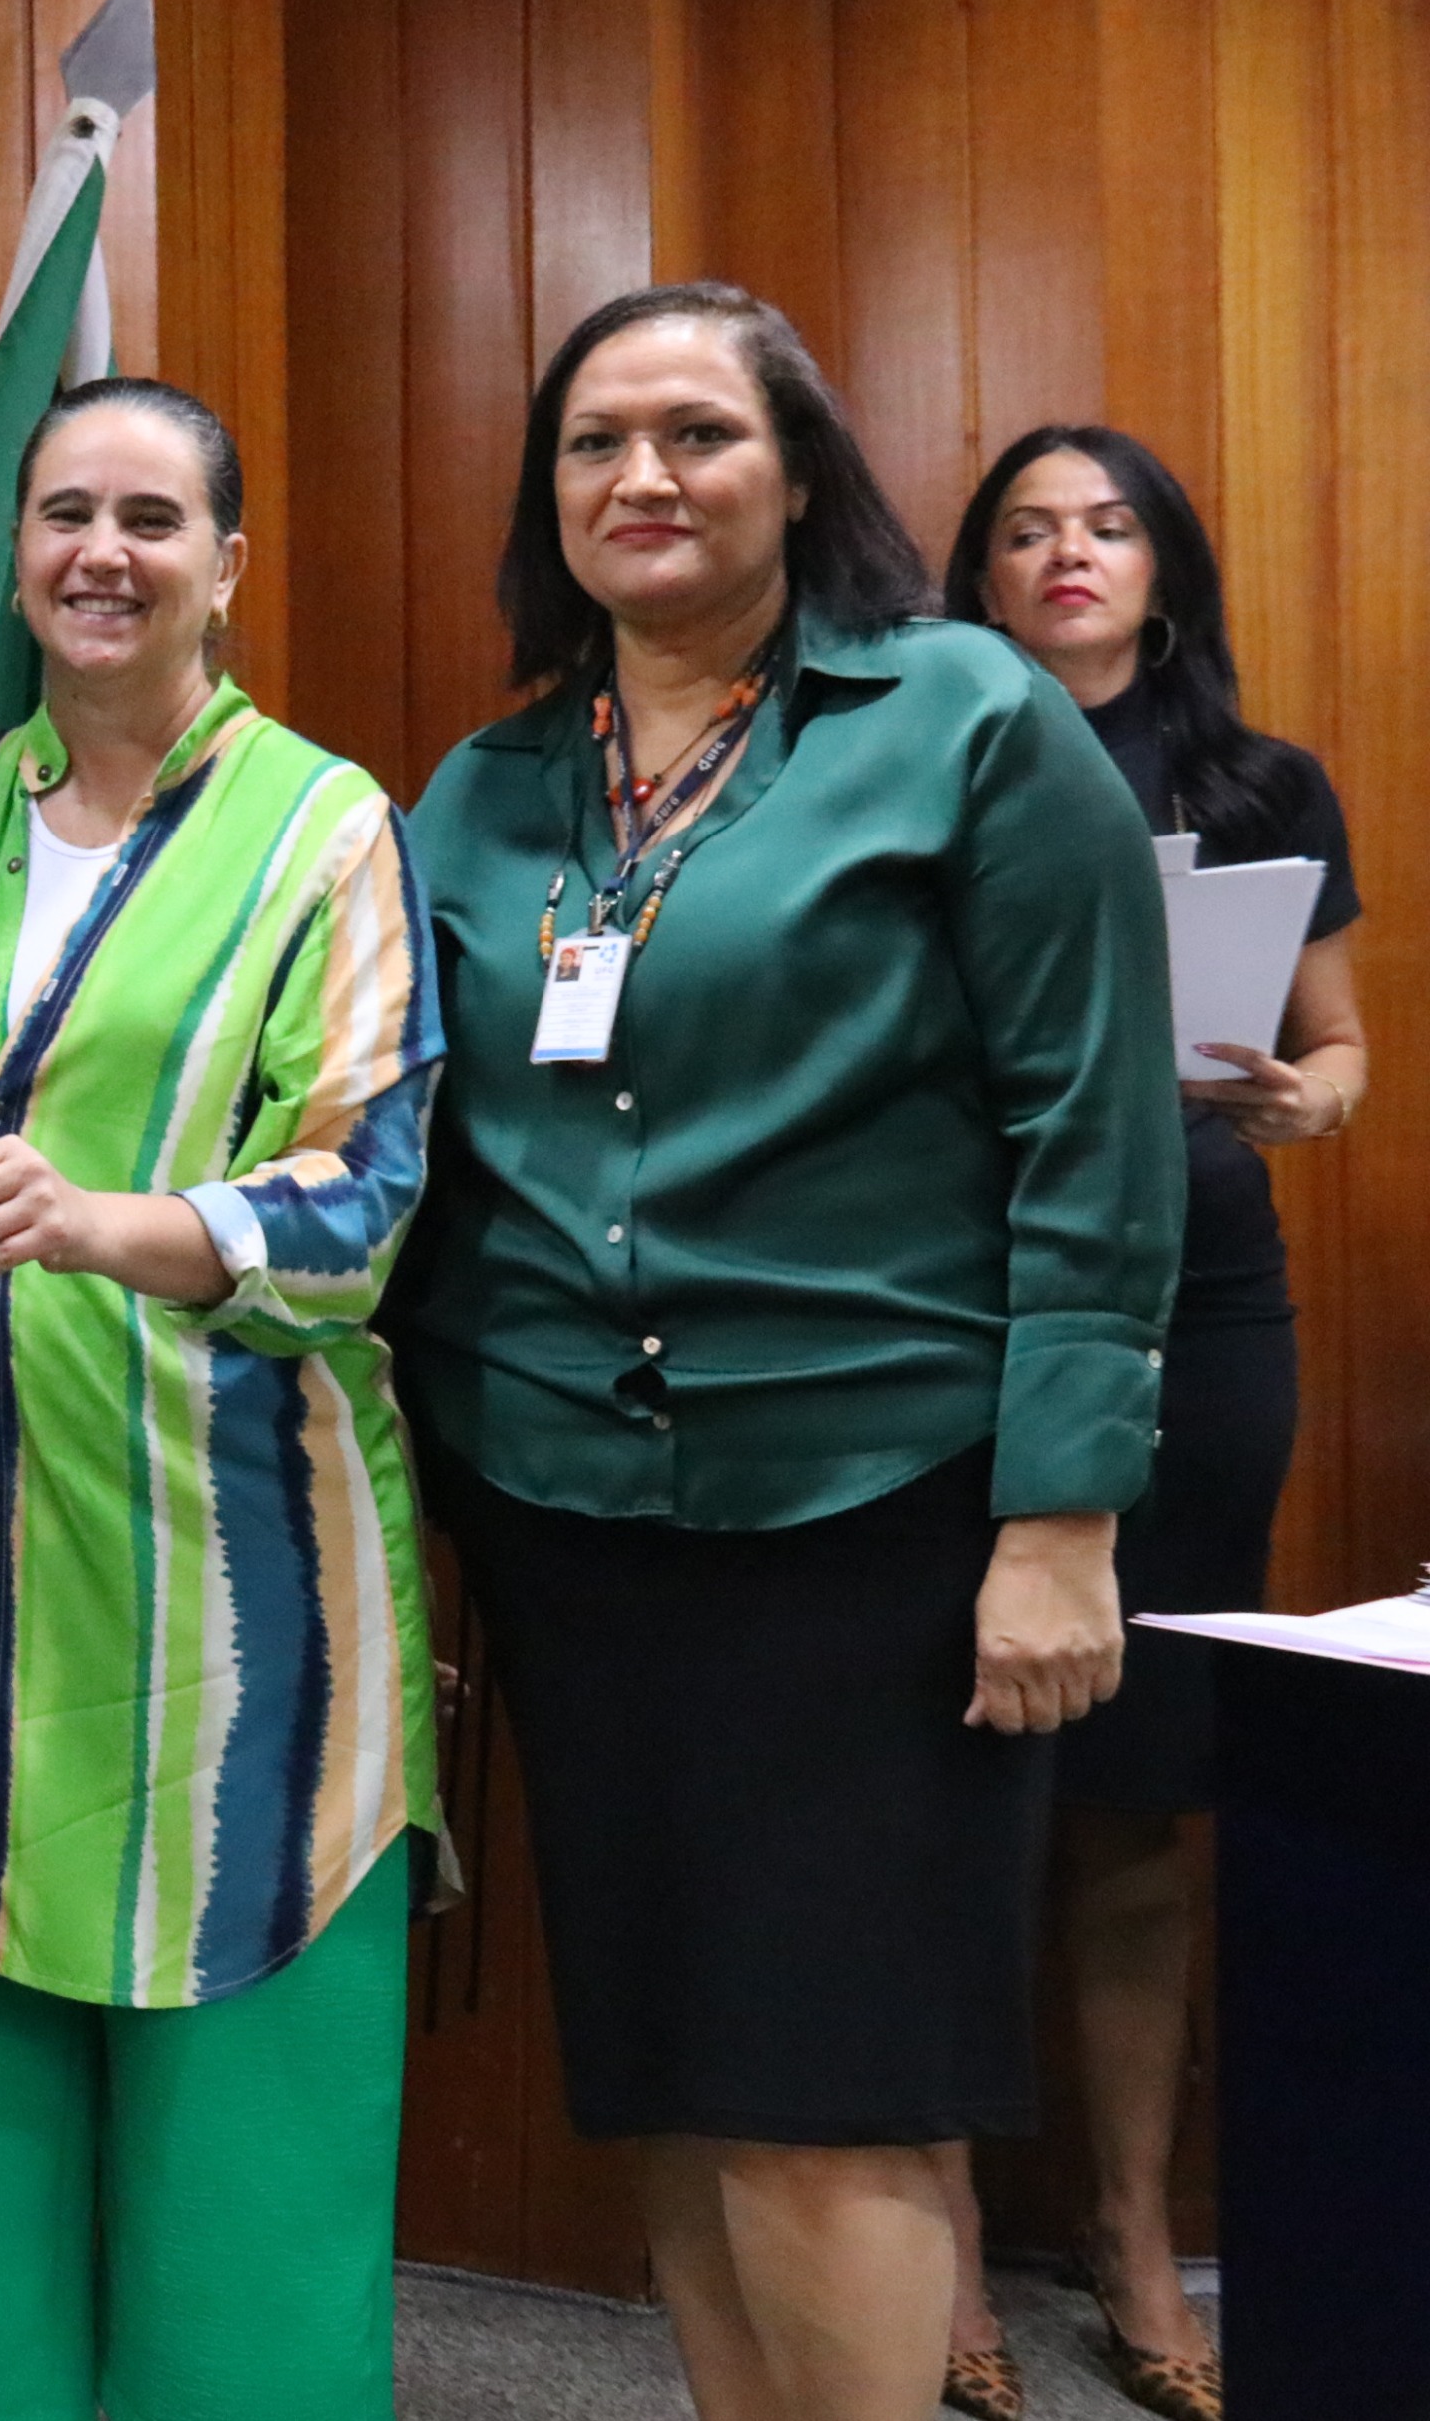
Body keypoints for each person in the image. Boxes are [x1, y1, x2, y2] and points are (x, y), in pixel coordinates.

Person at [390, 283, 1185, 2421]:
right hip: (568, 1516)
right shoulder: (490, 786)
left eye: (697, 433)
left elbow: (1096, 1132)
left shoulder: (963, 716)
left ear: (803, 472)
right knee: (671, 2074)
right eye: (593, 442)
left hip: (875, 1514)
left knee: (829, 2092)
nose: (640, 476)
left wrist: (1063, 1517)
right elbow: (405, 1142)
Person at [0, 378, 445, 2421]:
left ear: (226, 565)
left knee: (237, 2172)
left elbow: (361, 1201)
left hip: (230, 1584)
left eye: (152, 519)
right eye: (65, 511)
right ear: (14, 558)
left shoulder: (328, 825)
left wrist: (100, 1223)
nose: (102, 552)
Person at [922, 424, 1366, 2421]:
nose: (1066, 554)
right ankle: (934, 2248)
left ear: (1163, 566)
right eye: (1024, 531)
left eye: (1105, 525)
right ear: (978, 582)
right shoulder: (914, 767)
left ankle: (1124, 2237)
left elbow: (1339, 1050)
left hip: (1204, 1309)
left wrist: (1303, 1097)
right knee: (945, 1793)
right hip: (965, 1303)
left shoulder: (1260, 788)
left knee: (1141, 1797)